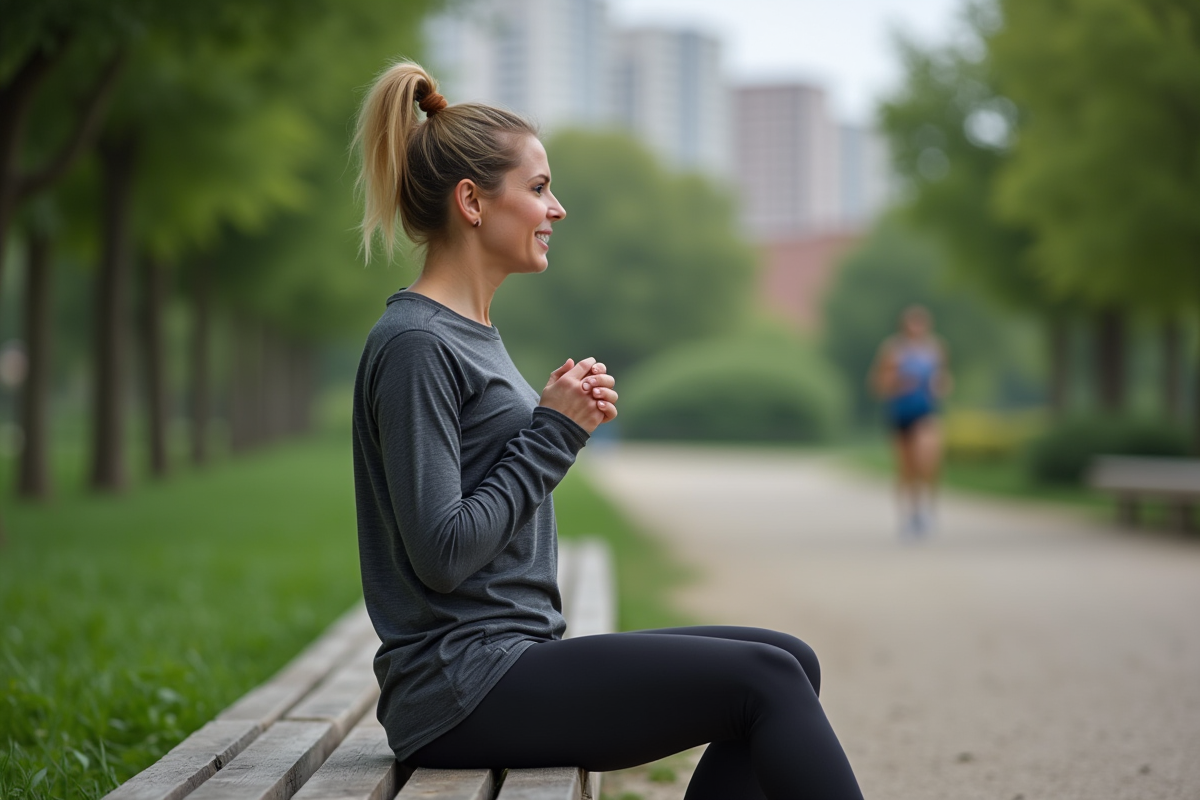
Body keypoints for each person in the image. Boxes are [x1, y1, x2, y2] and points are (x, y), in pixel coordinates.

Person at [351, 60, 864, 800]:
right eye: (537, 188)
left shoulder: (469, 332)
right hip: (462, 684)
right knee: (766, 681)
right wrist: (553, 434)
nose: (556, 208)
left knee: (789, 659)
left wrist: (551, 424)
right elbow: (441, 553)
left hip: (507, 658)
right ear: (471, 201)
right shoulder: (416, 344)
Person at [870, 305, 952, 536]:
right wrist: (897, 383)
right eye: (912, 323)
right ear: (904, 326)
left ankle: (927, 509)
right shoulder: (893, 350)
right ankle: (909, 515)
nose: (917, 328)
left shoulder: (936, 349)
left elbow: (944, 379)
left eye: (921, 323)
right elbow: (878, 384)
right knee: (906, 469)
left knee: (927, 461)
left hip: (927, 412)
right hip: (900, 413)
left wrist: (941, 385)